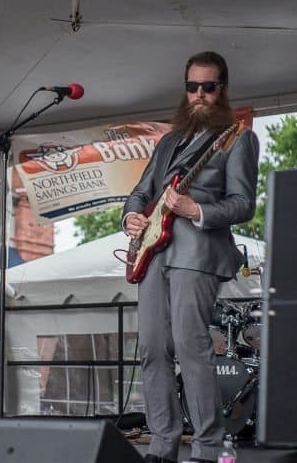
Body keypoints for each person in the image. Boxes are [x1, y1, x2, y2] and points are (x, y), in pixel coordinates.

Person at [123, 51, 259, 463]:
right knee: (152, 348)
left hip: (196, 254)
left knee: (190, 346)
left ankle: (207, 447)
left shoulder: (236, 138)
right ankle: (162, 445)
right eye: (192, 87)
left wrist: (195, 210)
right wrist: (131, 214)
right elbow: (142, 190)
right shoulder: (168, 141)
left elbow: (243, 204)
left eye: (208, 87)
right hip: (153, 254)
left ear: (222, 90)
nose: (199, 94)